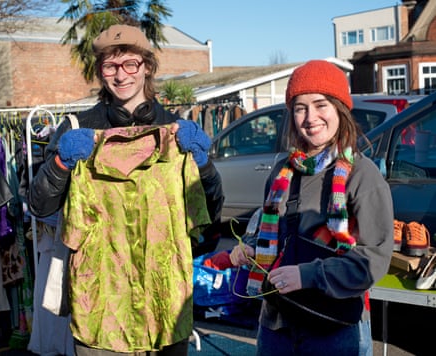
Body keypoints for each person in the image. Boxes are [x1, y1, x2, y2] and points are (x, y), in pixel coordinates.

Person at [28, 24, 224, 355]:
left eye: (130, 63)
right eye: (110, 66)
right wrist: (60, 164)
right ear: (100, 71)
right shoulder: (77, 128)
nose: (121, 75)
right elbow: (38, 205)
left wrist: (202, 165)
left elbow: (210, 215)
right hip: (102, 312)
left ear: (146, 66)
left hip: (165, 309)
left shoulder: (176, 131)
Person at [229, 60, 394, 356]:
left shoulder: (363, 175)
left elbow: (374, 259)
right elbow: (273, 234)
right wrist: (252, 248)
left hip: (334, 328)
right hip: (277, 324)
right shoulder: (282, 171)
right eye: (300, 107)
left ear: (340, 109)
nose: (310, 117)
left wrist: (308, 276)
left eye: (321, 105)